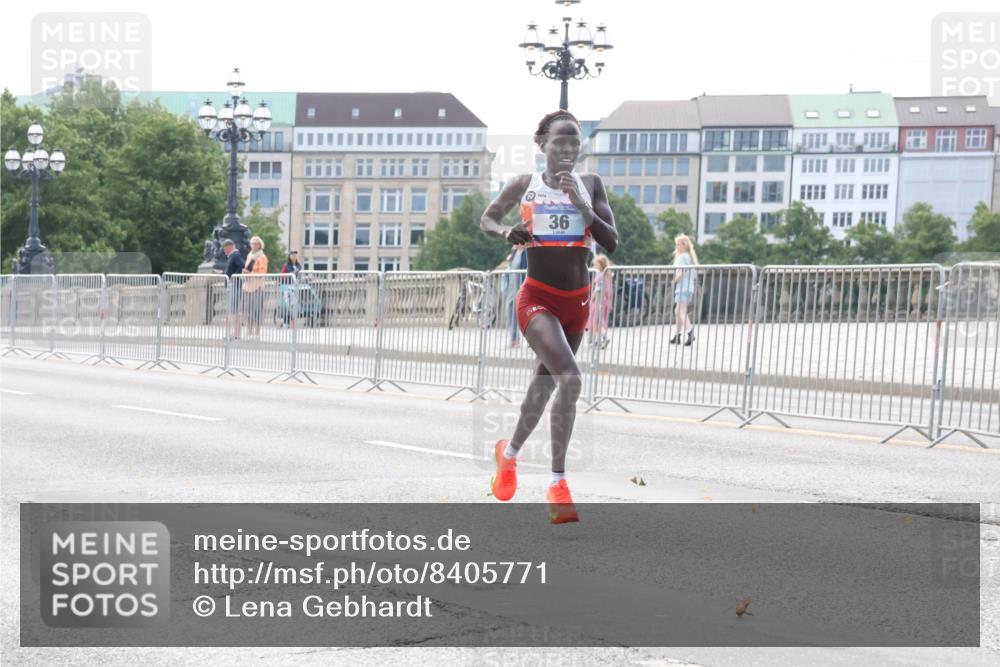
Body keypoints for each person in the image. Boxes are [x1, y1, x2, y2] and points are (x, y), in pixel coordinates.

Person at [480, 109, 618, 524]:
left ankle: (509, 453)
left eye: (575, 142)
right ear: (542, 145)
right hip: (537, 298)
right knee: (570, 379)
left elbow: (611, 242)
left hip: (577, 302)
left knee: (542, 389)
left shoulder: (591, 184)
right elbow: (488, 217)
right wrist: (506, 232)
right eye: (560, 141)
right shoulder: (524, 184)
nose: (568, 149)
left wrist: (584, 208)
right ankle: (558, 484)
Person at [671, 234, 698, 346]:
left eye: (678, 244)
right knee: (678, 311)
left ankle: (690, 332)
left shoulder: (682, 257)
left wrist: (674, 281)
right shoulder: (690, 257)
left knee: (681, 312)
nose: (676, 246)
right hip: (689, 286)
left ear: (684, 245)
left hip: (682, 287)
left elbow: (681, 272)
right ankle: (677, 335)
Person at [242, 236, 268, 339]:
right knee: (248, 310)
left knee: (256, 310)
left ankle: (257, 332)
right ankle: (249, 331)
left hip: (257, 286)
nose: (254, 245)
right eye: (252, 243)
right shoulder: (249, 255)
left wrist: (249, 273)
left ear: (260, 245)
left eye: (256, 243)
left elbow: (262, 272)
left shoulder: (262, 257)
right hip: (248, 286)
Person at [501, 246, 528, 348]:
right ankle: (514, 340)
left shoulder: (526, 253)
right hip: (511, 290)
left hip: (521, 289)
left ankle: (530, 340)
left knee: (523, 316)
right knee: (510, 314)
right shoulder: (513, 252)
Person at [587, 254, 614, 350]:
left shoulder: (600, 275)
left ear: (601, 265)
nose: (594, 267)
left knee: (597, 321)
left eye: (596, 265)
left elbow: (596, 290)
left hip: (599, 301)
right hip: (605, 301)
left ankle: (603, 338)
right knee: (599, 321)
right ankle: (595, 341)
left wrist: (591, 299)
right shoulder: (608, 275)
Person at [222, 239, 244, 339]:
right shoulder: (233, 256)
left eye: (225, 248)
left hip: (235, 285)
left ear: (229, 247)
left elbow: (241, 266)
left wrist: (233, 277)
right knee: (234, 310)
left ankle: (236, 334)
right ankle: (234, 333)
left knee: (234, 311)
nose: (224, 251)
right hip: (234, 285)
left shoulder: (235, 255)